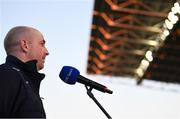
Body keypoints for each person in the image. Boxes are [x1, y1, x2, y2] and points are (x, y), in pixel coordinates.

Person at [0, 26, 49, 118]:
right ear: (25, 45)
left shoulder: (25, 81)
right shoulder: (6, 75)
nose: (47, 52)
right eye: (42, 44)